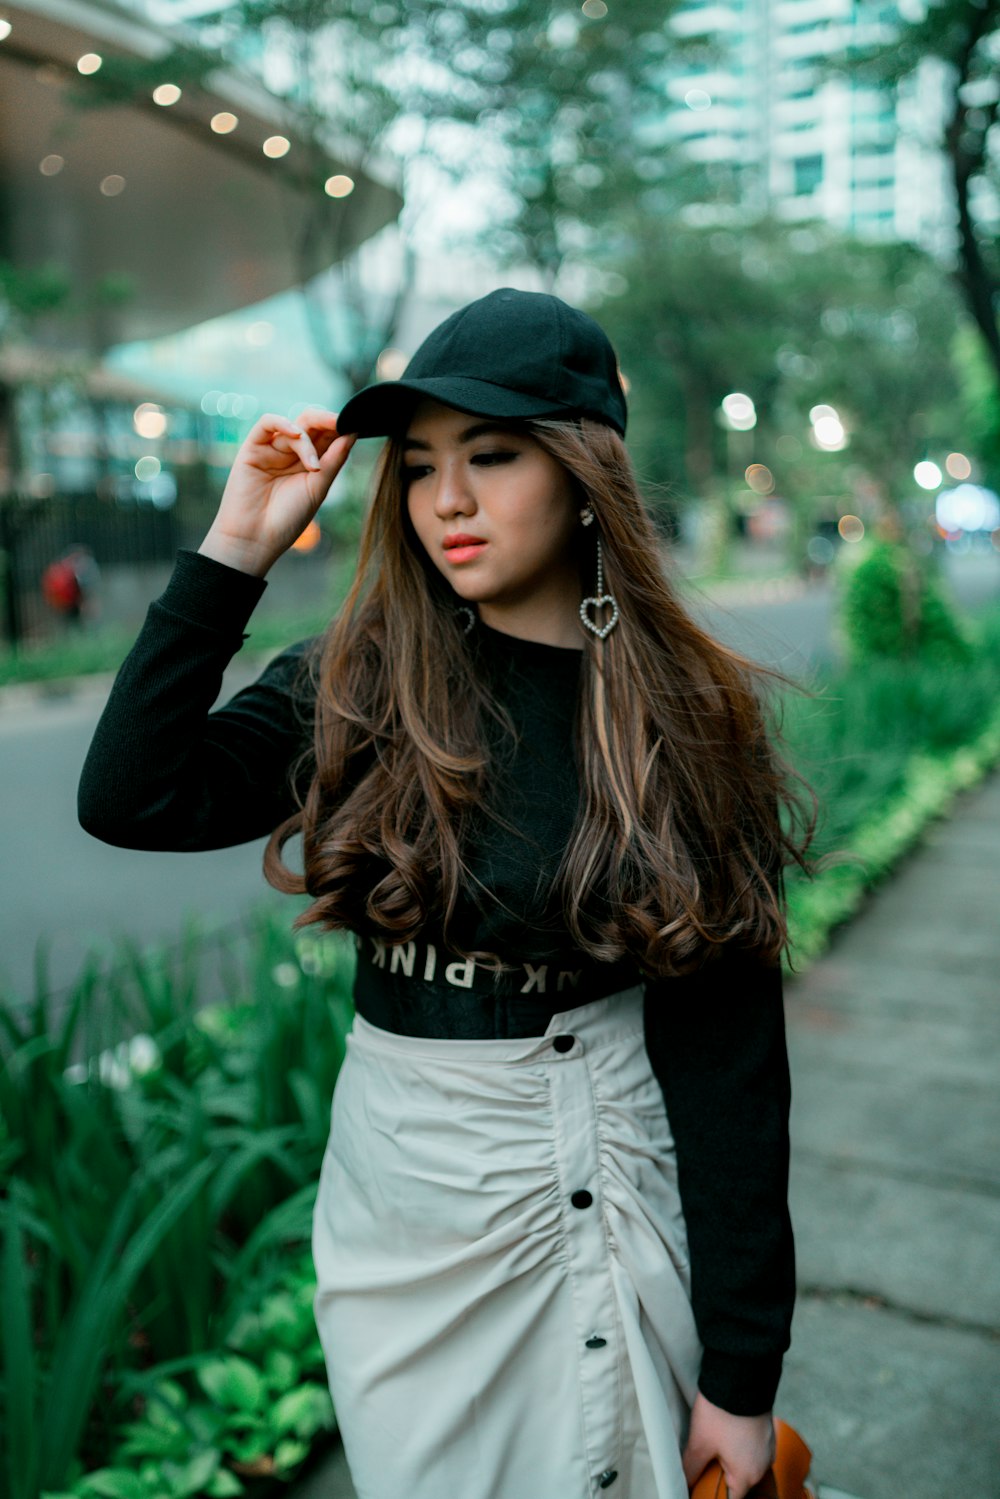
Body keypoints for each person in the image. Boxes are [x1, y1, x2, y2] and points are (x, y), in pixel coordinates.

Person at [78, 288, 810, 1499]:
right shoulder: (360, 680)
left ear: (582, 472)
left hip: (598, 1155)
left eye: (491, 454)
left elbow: (732, 1069)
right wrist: (238, 548)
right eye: (417, 467)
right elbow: (133, 797)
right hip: (403, 1184)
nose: (447, 500)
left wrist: (742, 1374)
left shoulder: (674, 718)